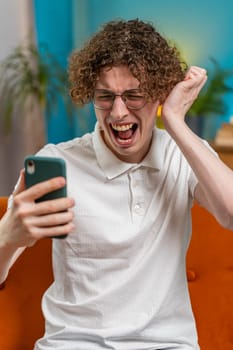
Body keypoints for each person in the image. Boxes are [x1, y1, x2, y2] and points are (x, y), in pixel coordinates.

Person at [0, 18, 233, 350]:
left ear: (158, 94)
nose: (118, 112)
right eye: (105, 96)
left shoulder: (179, 154)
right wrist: (7, 235)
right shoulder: (60, 161)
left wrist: (176, 122)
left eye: (134, 95)